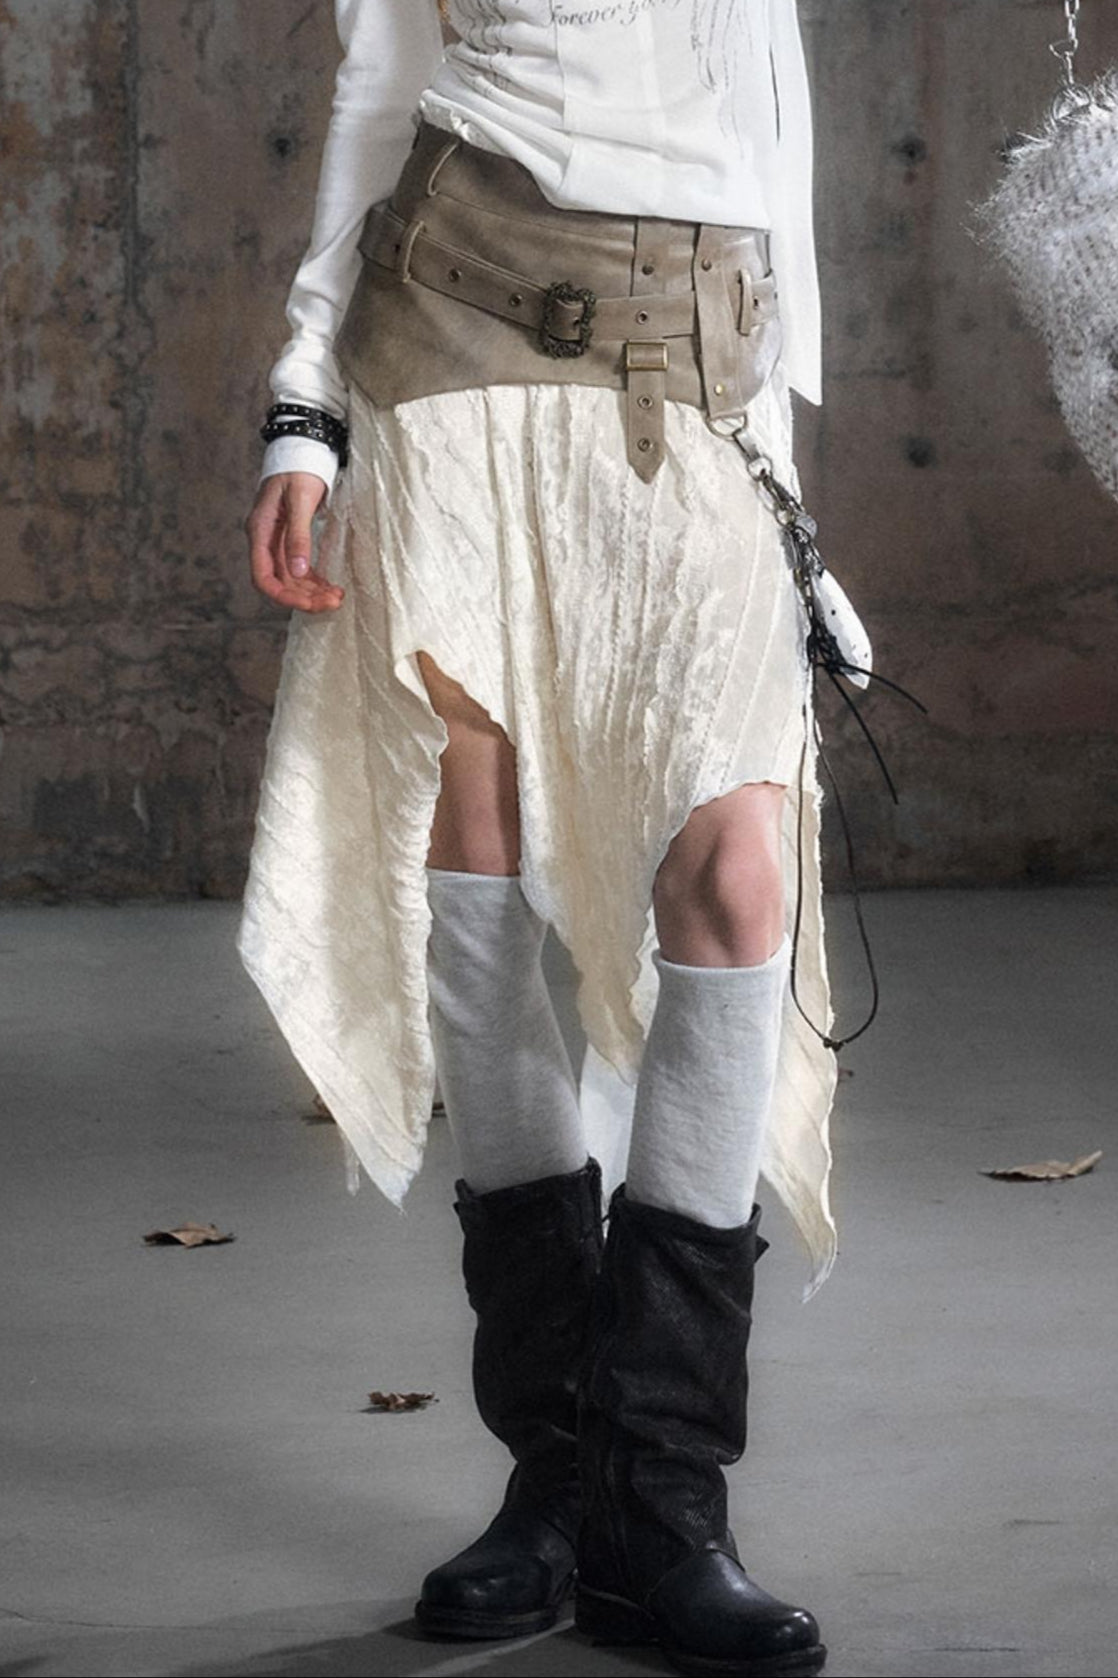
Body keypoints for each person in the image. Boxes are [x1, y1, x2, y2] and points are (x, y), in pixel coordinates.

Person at [238, 4, 844, 1674]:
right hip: (449, 342)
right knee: (478, 857)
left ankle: (666, 1489)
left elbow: (766, 129)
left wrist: (780, 478)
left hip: (689, 353)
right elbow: (380, 91)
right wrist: (305, 404)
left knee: (731, 867)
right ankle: (565, 1475)